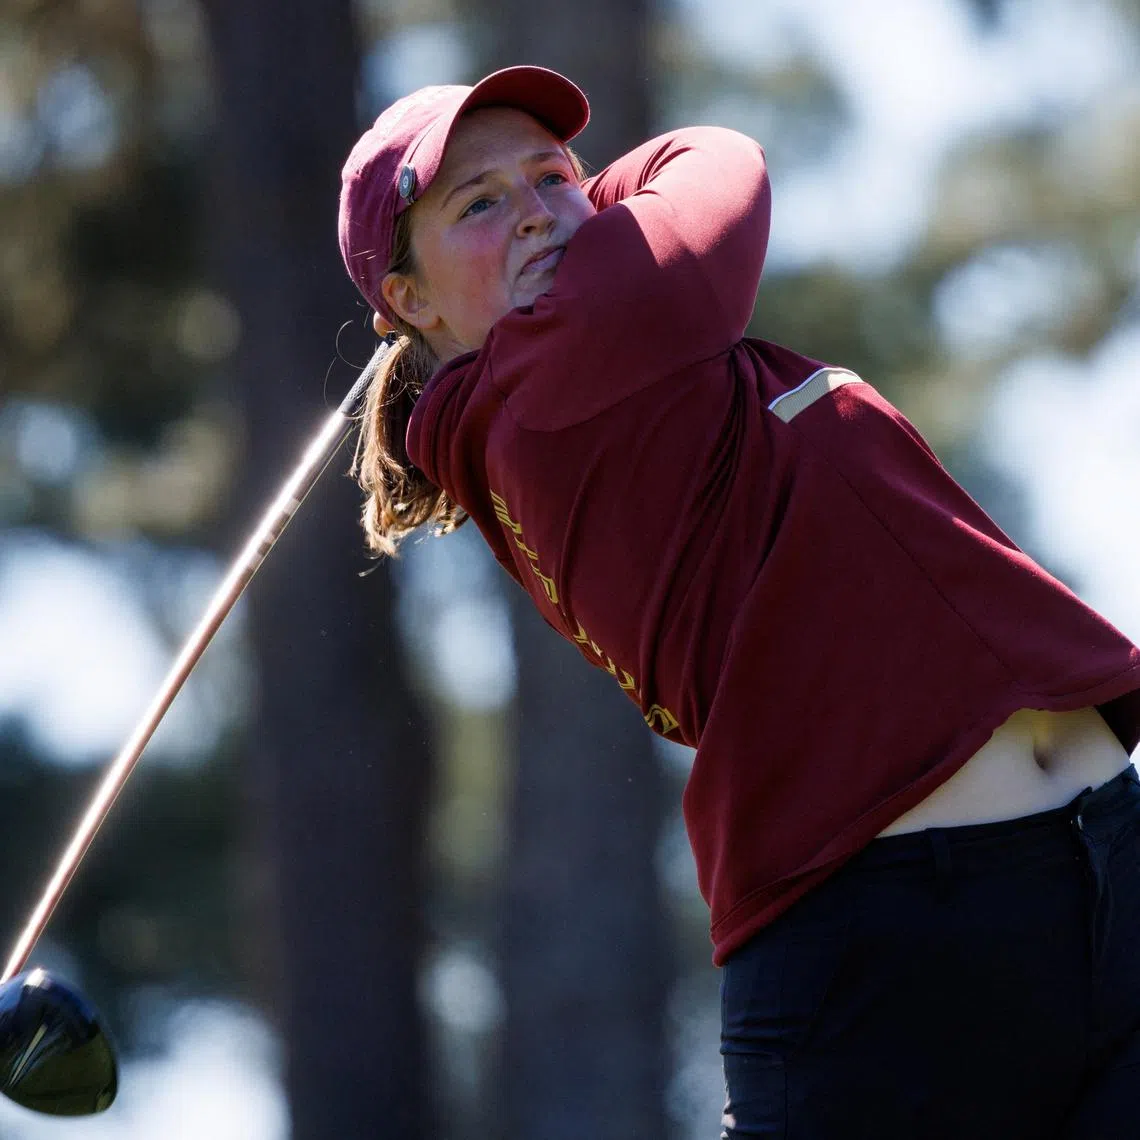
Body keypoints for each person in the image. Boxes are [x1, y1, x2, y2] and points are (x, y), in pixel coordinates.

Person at [337, 66, 1140, 1137]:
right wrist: (596, 205)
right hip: (888, 956)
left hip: (1098, 877)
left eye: (552, 175)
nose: (534, 211)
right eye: (477, 203)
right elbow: (719, 162)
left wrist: (544, 215)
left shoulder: (594, 362)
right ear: (411, 300)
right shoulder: (546, 383)